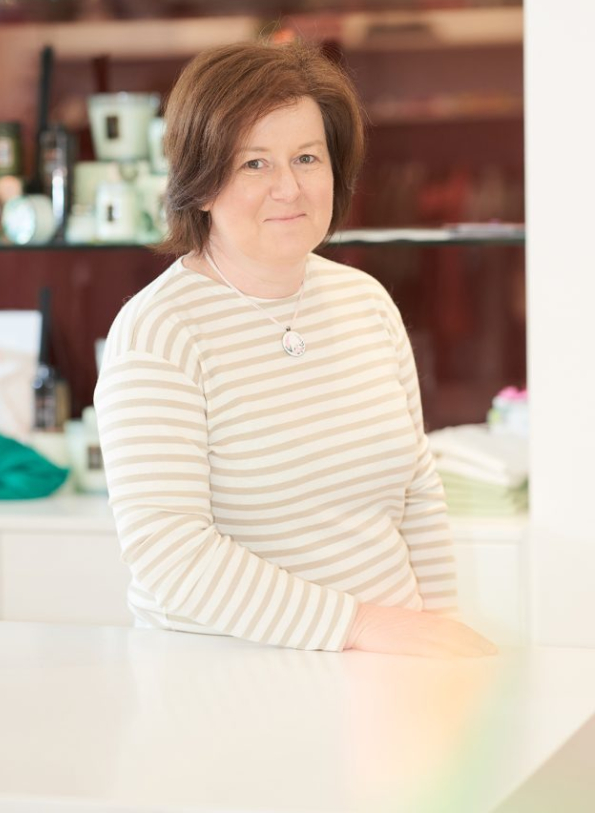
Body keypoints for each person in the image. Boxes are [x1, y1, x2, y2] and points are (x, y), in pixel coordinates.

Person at [94, 40, 496, 657]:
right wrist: (359, 625)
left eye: (307, 158)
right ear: (200, 183)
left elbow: (416, 486)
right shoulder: (159, 331)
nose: (289, 187)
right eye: (254, 163)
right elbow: (169, 552)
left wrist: (439, 629)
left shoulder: (366, 301)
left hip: (386, 673)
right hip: (227, 680)